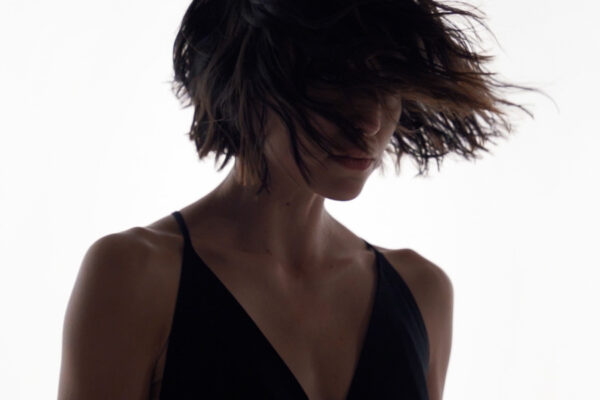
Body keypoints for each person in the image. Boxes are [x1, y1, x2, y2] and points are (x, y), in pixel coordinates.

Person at [58, 1, 535, 399]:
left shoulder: (422, 292)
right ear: (247, 84)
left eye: (387, 86)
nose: (370, 120)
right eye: (334, 79)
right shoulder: (136, 276)